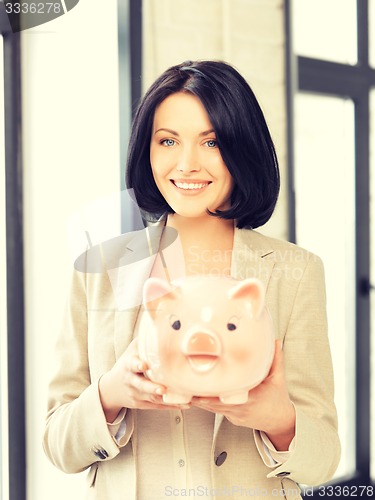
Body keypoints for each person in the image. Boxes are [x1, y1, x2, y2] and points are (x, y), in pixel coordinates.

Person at [43, 60, 340, 499]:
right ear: (148, 149)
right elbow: (57, 443)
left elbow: (324, 458)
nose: (186, 163)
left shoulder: (293, 272)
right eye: (168, 141)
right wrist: (111, 393)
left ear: (241, 149)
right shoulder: (100, 270)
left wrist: (277, 418)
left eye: (211, 142)